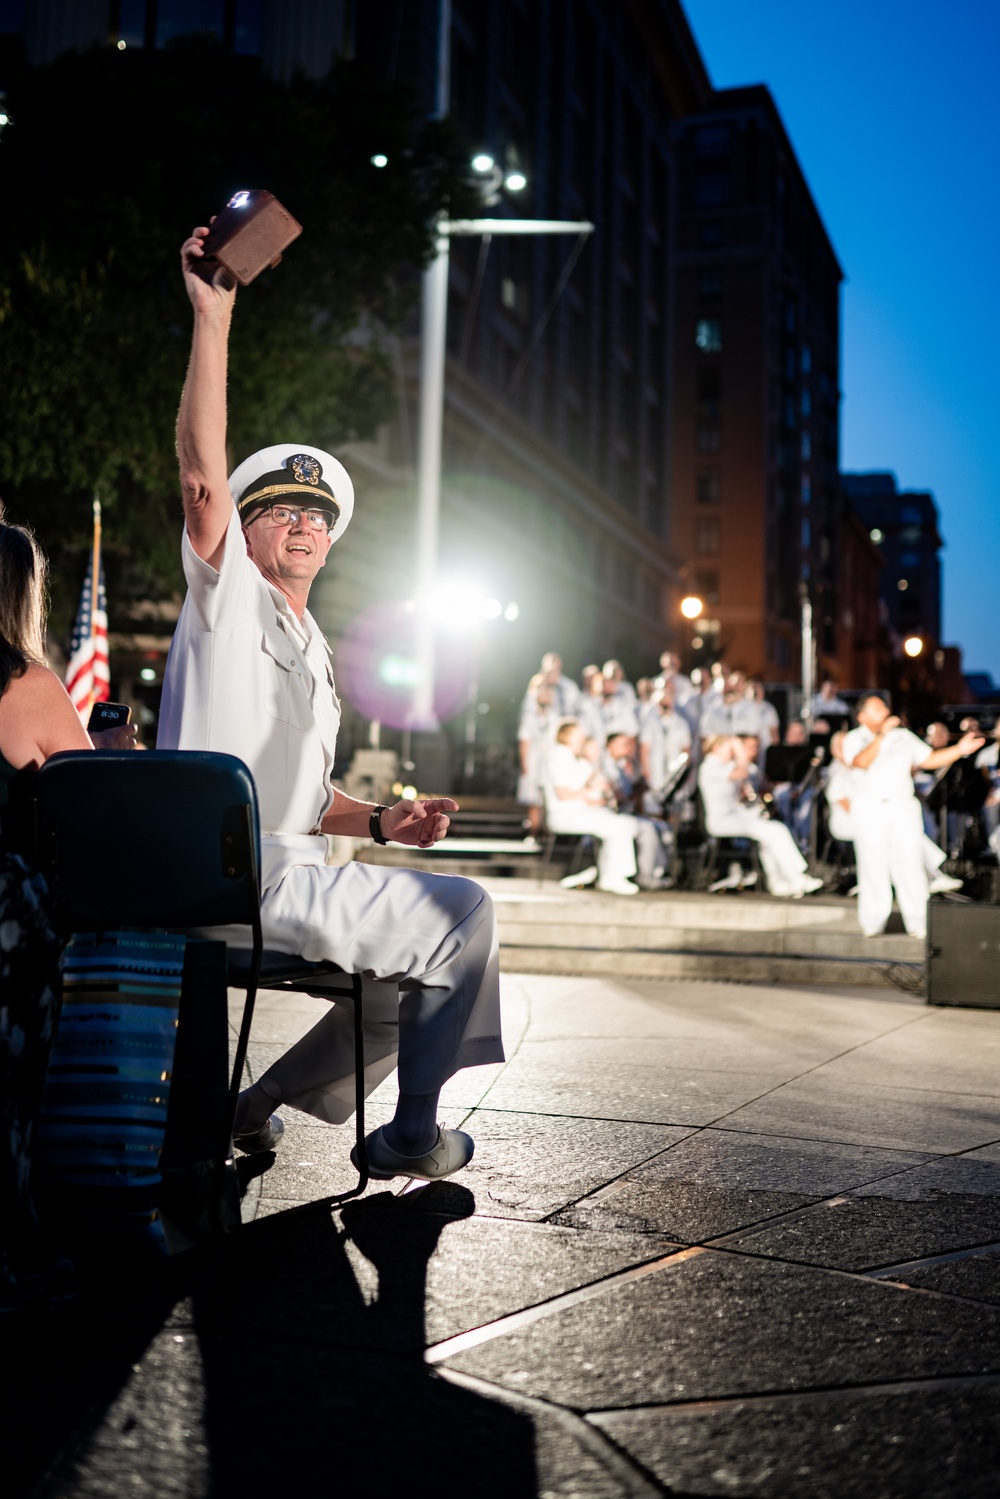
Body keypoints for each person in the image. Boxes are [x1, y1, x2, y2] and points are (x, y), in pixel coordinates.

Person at [157, 224, 503, 1184]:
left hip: (282, 872)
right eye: (276, 509)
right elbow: (198, 473)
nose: (302, 521)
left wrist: (385, 818)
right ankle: (413, 1138)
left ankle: (254, 1104)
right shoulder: (228, 600)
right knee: (464, 918)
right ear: (243, 528)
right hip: (242, 881)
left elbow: (305, 796)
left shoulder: (311, 643)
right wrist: (212, 315)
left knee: (407, 987)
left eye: (317, 515)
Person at [0, 511, 136, 1309]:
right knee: (12, 1089)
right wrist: (111, 754)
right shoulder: (28, 680)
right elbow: (91, 806)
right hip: (10, 914)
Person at [842, 695, 984, 939]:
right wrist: (882, 736)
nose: (885, 710)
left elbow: (928, 759)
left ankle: (918, 922)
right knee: (872, 864)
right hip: (870, 809)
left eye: (885, 706)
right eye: (877, 708)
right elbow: (860, 762)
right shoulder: (854, 739)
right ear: (862, 716)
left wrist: (959, 750)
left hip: (903, 806)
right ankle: (873, 921)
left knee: (911, 862)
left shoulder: (904, 736)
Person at [544, 720, 670, 893]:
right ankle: (615, 876)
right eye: (578, 734)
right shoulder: (559, 756)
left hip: (579, 812)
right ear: (567, 736)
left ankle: (610, 874)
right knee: (617, 826)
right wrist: (591, 791)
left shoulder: (570, 758)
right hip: (566, 814)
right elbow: (563, 793)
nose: (583, 738)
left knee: (619, 824)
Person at [698, 735, 823, 898]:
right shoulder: (711, 765)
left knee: (771, 832)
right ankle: (796, 877)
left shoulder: (724, 766)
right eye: (730, 749)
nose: (733, 753)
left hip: (737, 816)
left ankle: (778, 882)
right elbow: (742, 771)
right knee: (775, 831)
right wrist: (738, 746)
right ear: (716, 748)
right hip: (723, 820)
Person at [516, 674, 556, 836]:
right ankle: (534, 831)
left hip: (550, 761)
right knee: (534, 799)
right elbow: (524, 740)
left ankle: (547, 831)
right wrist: (525, 765)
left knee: (548, 799)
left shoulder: (554, 715)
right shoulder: (529, 716)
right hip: (534, 760)